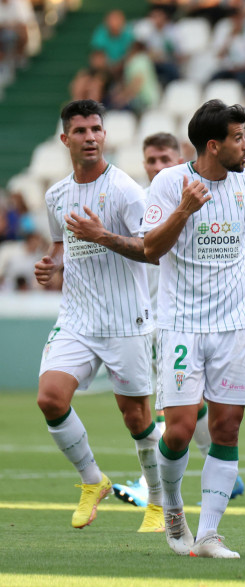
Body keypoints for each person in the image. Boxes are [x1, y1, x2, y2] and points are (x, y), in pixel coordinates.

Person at [142, 100, 245, 559]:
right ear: (214, 145)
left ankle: (209, 535)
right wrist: (183, 209)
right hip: (181, 325)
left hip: (233, 325)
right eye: (239, 138)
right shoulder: (168, 183)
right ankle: (174, 507)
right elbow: (150, 248)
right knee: (179, 430)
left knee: (227, 426)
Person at [33, 99, 162, 533]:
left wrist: (100, 235)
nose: (90, 137)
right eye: (81, 130)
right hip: (76, 319)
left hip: (126, 321)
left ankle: (160, 501)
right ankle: (93, 481)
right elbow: (58, 245)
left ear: (105, 136)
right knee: (50, 398)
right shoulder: (56, 195)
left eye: (96, 129)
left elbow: (150, 251)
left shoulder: (126, 191)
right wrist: (50, 264)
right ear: (65, 139)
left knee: (137, 420)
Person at [111, 132, 245, 507]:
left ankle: (154, 489)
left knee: (178, 409)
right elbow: (142, 251)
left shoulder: (203, 194)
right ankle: (215, 479)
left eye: (166, 159)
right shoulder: (144, 203)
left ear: (182, 159)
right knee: (182, 407)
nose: (158, 166)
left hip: (184, 319)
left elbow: (229, 257)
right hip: (150, 316)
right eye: (151, 160)